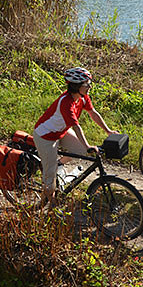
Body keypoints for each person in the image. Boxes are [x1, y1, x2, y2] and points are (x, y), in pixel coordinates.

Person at [33, 67, 120, 206]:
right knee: (50, 182)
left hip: (61, 131)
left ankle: (58, 164)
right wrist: (88, 146)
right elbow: (76, 127)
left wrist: (108, 131)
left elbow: (93, 113)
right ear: (76, 86)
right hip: (46, 136)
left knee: (80, 151)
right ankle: (53, 207)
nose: (90, 86)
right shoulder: (66, 103)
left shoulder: (83, 98)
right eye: (86, 84)